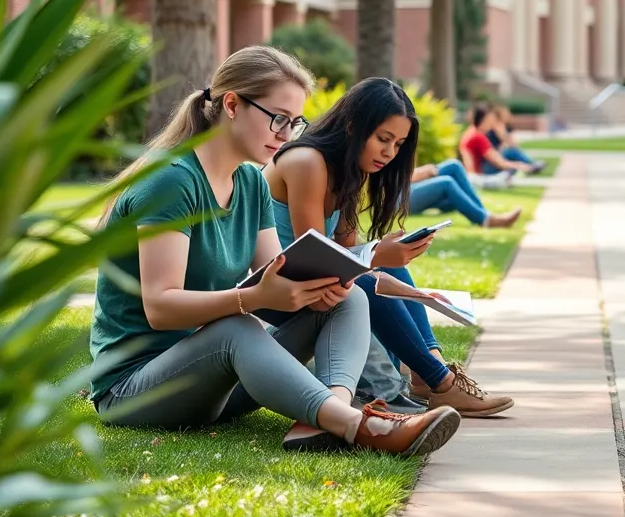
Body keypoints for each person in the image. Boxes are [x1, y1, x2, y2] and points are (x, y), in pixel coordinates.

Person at [88, 46, 461, 458]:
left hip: (217, 383)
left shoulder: (249, 181)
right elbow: (160, 307)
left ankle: (327, 416)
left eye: (295, 122)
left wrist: (320, 286)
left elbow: (278, 272)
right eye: (277, 119)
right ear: (232, 104)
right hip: (137, 389)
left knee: (348, 299)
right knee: (237, 326)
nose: (286, 134)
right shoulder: (171, 182)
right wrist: (253, 299)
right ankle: (361, 425)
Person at [268, 78, 514, 418]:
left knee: (387, 268)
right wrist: (375, 256)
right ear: (353, 126)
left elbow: (346, 250)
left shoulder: (348, 171)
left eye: (398, 144)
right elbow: (316, 259)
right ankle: (441, 383)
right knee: (373, 274)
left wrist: (385, 261)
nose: (389, 152)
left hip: (312, 289)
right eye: (383, 139)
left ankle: (429, 375)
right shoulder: (307, 161)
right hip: (273, 298)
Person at [411, 159, 522, 228]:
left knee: (454, 166)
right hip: (399, 196)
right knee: (447, 183)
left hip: (406, 186)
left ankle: (483, 213)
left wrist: (420, 172)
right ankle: (485, 219)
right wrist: (416, 175)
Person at [460, 105, 539, 178]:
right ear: (483, 120)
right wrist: (520, 166)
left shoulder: (471, 131)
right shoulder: (478, 137)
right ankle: (530, 166)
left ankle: (530, 165)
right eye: (490, 120)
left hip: (477, 171)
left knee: (511, 156)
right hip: (482, 173)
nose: (492, 123)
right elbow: (499, 162)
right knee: (511, 163)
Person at [484, 104, 547, 175]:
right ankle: (531, 164)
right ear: (500, 115)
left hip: (498, 154)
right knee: (512, 151)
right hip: (495, 156)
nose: (509, 115)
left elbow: (513, 143)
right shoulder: (497, 126)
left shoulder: (505, 126)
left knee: (513, 151)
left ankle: (530, 165)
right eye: (506, 113)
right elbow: (508, 142)